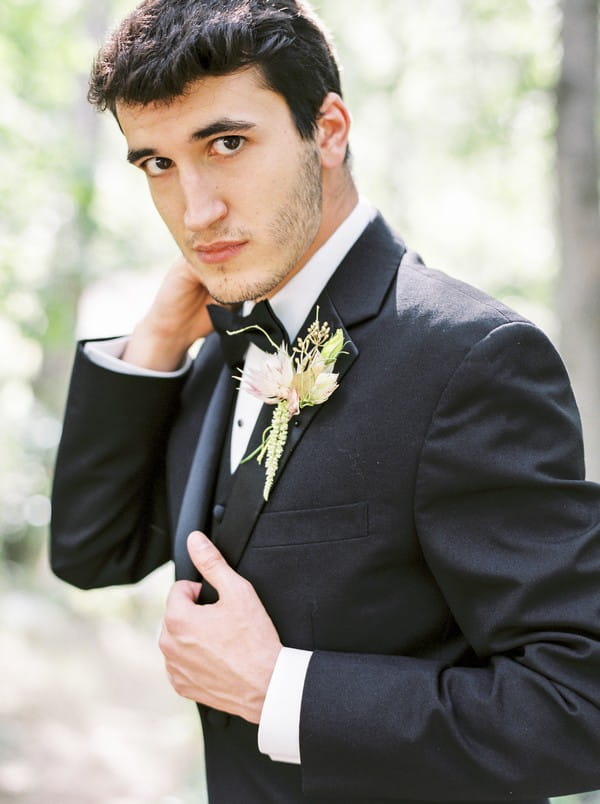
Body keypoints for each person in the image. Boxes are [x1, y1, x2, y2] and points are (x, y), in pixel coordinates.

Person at [50, 1, 600, 802]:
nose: (194, 211)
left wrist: (281, 691)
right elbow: (92, 552)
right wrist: (156, 346)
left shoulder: (470, 359)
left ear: (329, 130)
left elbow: (581, 705)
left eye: (226, 143)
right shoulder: (219, 341)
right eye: (157, 164)